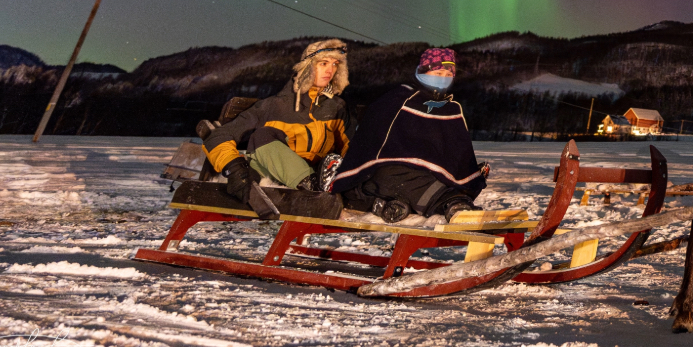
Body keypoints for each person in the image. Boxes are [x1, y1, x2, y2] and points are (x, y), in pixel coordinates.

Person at [328, 47, 489, 226]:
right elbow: (372, 143)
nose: (442, 78)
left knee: (442, 181)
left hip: (424, 176)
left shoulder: (450, 108)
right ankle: (453, 204)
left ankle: (454, 201)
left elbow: (453, 149)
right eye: (437, 72)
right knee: (404, 178)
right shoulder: (399, 98)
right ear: (422, 71)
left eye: (447, 74)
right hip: (383, 172)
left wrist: (465, 172)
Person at [205, 38, 352, 218]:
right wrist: (233, 168)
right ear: (306, 67)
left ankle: (316, 184)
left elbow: (350, 147)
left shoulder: (337, 108)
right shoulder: (273, 106)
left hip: (321, 176)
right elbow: (218, 136)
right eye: (323, 63)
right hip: (274, 178)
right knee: (262, 136)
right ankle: (311, 184)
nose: (330, 70)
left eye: (335, 64)